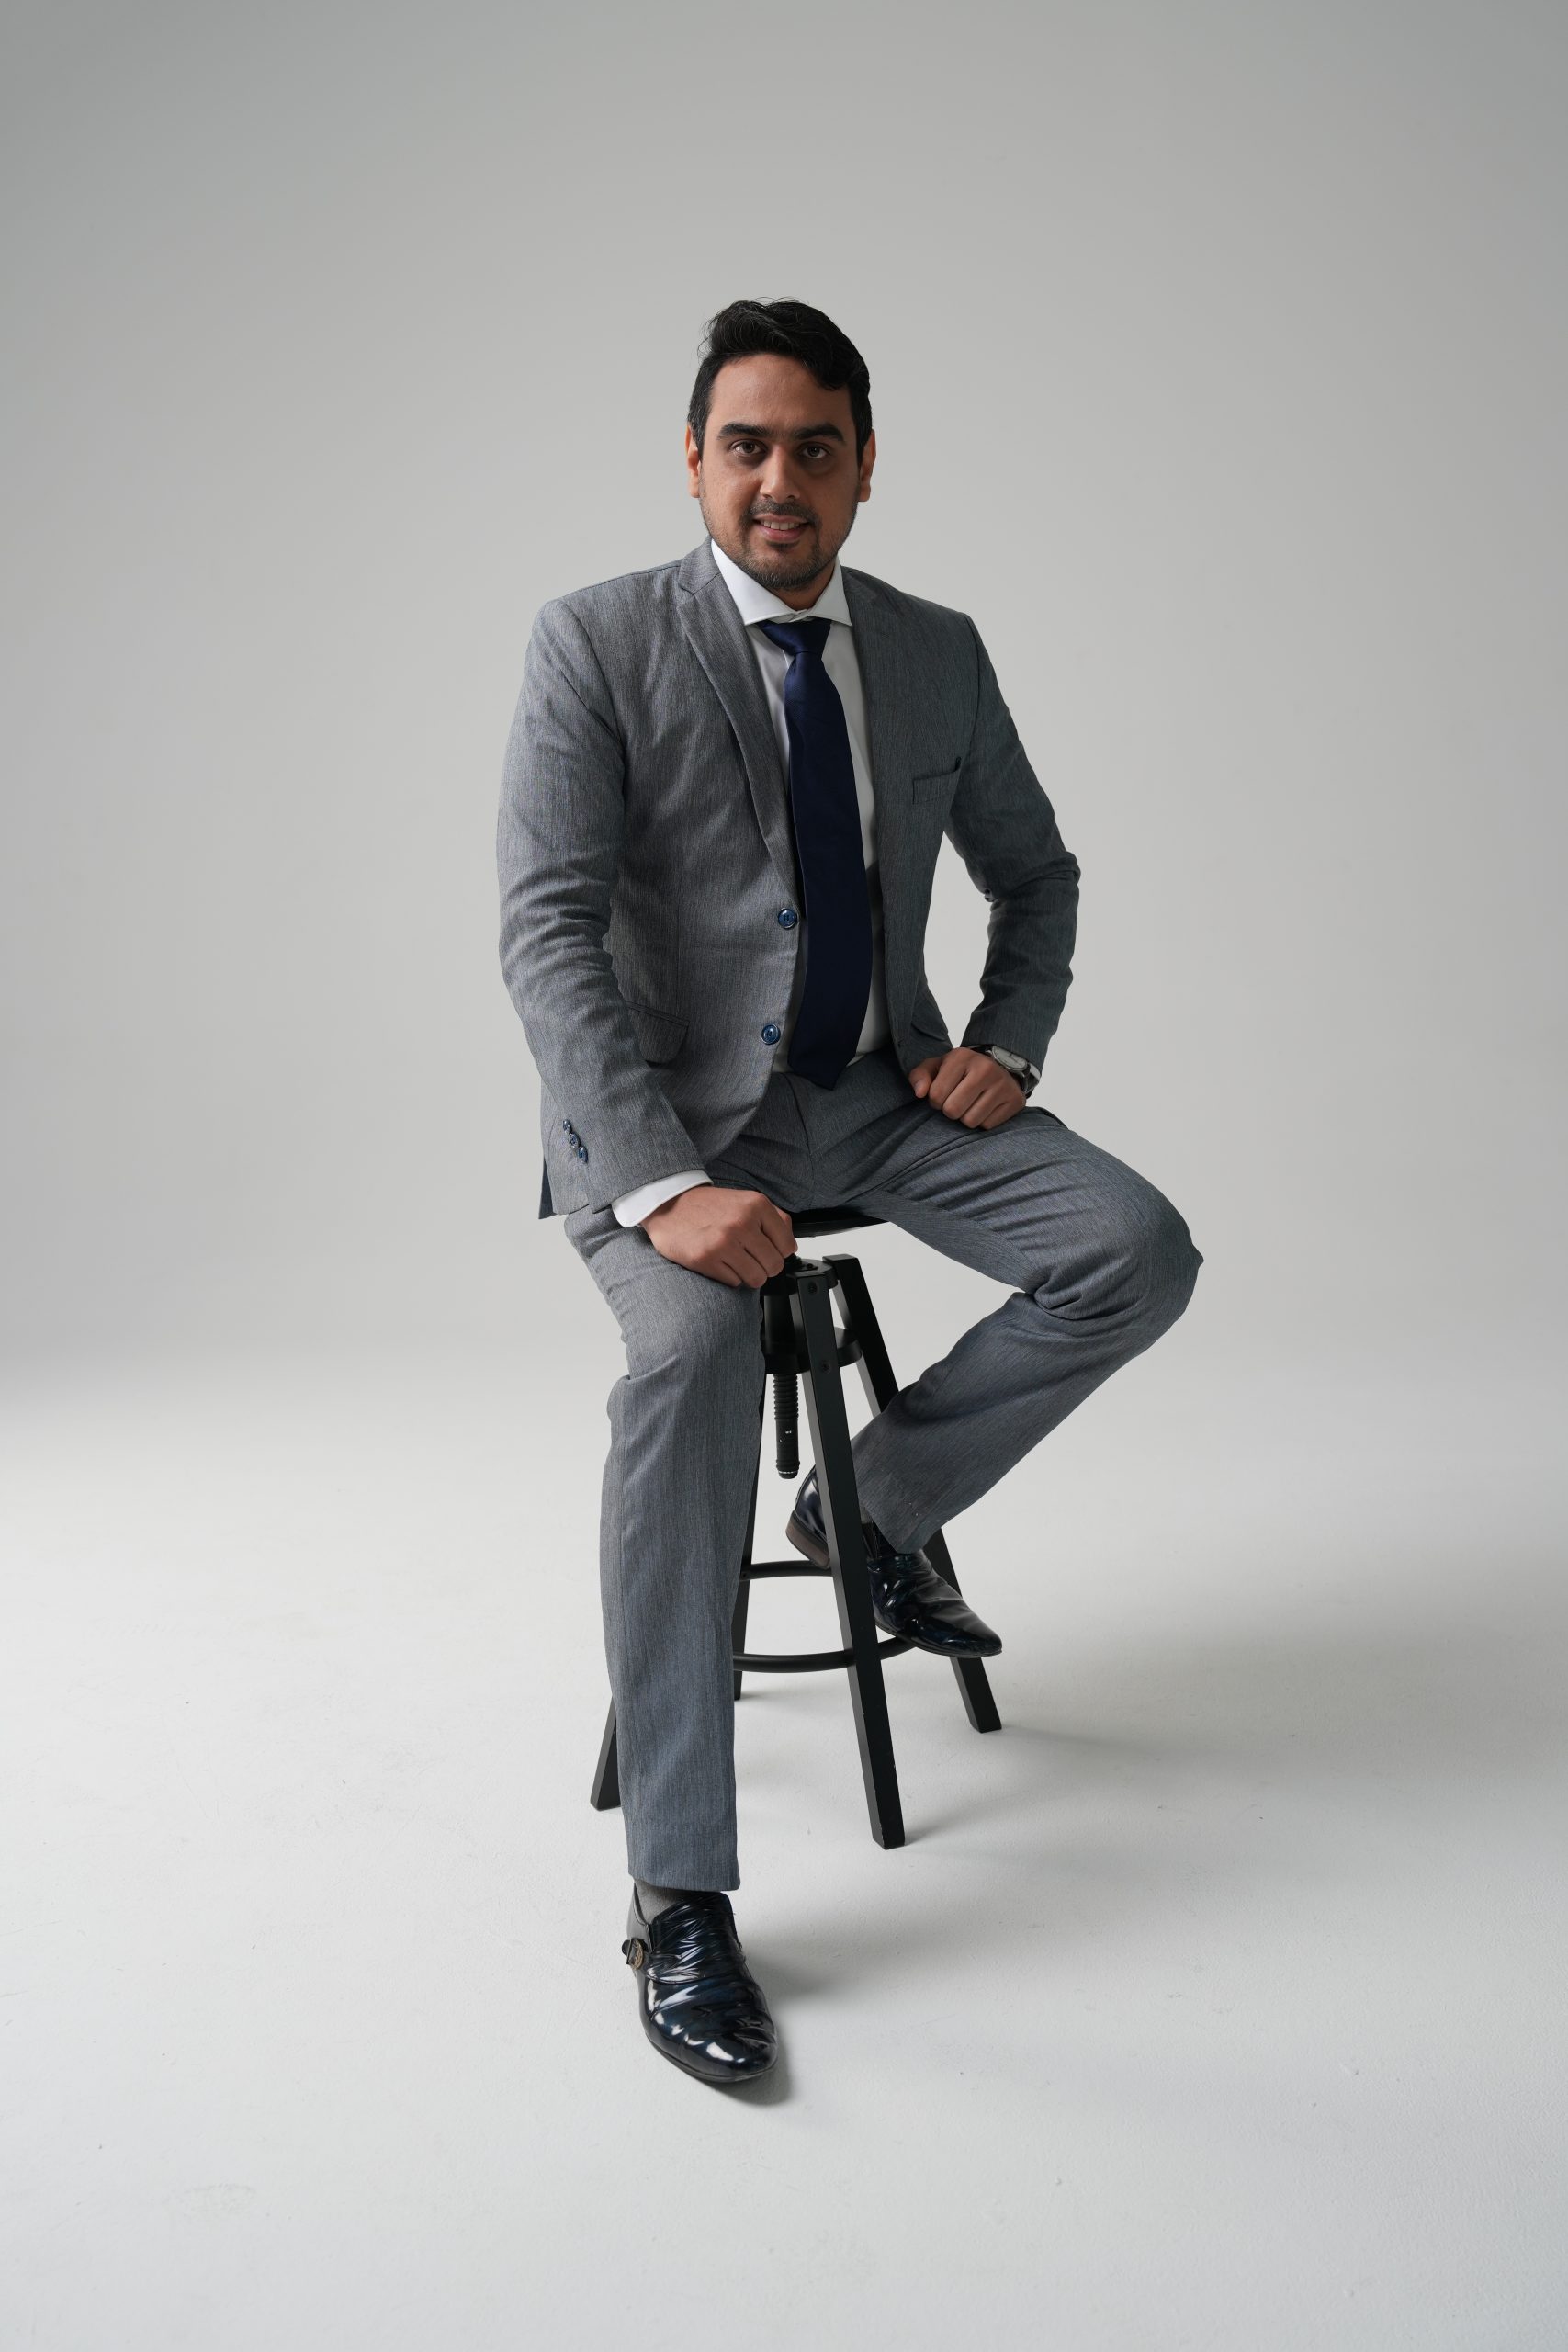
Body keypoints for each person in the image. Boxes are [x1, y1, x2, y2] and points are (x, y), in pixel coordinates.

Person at [496, 298, 1202, 2087]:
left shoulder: (935, 650)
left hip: (882, 1098)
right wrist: (661, 1182)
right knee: (691, 1361)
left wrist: (1007, 1040)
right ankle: (678, 1890)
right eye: (745, 445)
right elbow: (546, 932)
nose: (778, 481)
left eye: (815, 448)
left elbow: (1035, 873)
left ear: (865, 466)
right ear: (692, 461)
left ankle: (865, 1506)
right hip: (670, 1124)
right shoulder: (595, 642)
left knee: (1130, 1248)